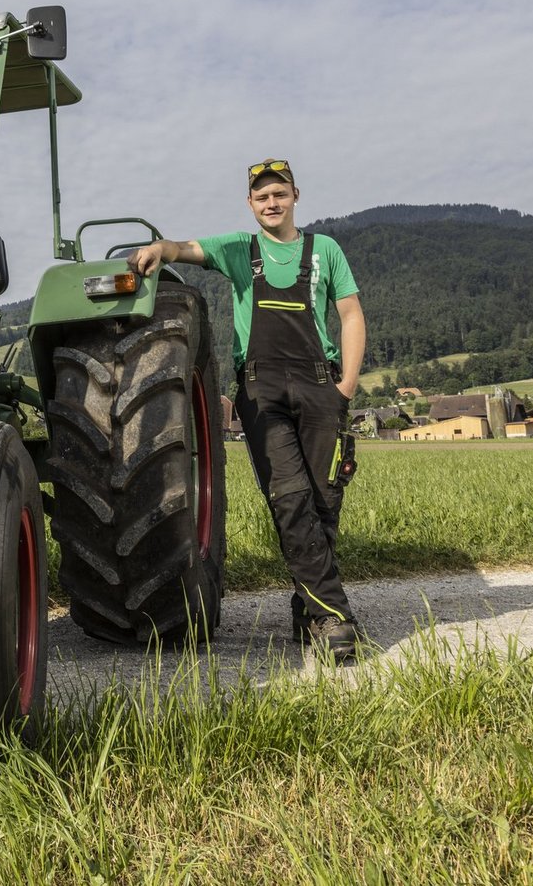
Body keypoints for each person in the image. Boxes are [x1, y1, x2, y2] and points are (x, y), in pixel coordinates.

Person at [128, 158, 367, 661]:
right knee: (290, 498)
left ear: (296, 196)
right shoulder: (241, 250)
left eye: (279, 194)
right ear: (250, 204)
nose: (271, 203)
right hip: (261, 392)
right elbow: (185, 249)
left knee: (324, 499)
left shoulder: (325, 251)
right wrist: (158, 248)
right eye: (262, 197)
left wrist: (346, 385)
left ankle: (309, 609)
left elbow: (350, 315)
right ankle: (333, 616)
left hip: (320, 384)